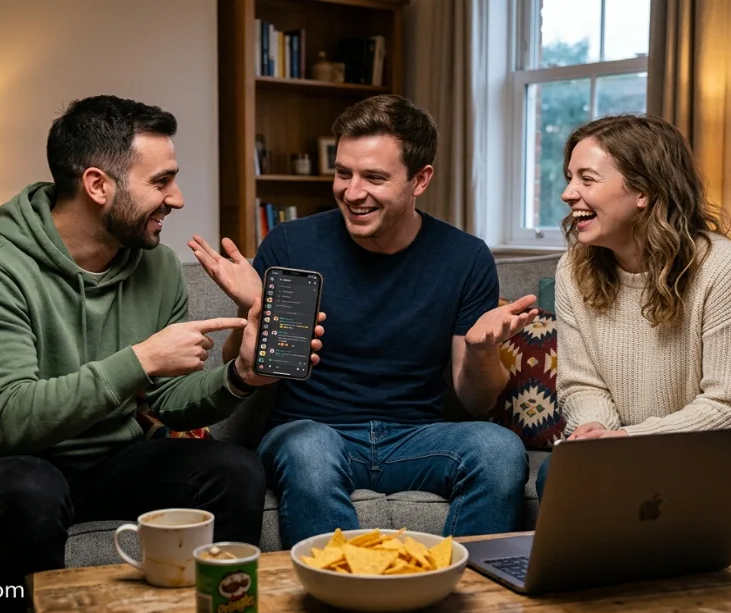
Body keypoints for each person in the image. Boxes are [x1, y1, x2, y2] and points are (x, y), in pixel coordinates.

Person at [0, 95, 320, 613]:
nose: (176, 199)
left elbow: (168, 405)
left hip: (108, 457)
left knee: (233, 469)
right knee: (32, 490)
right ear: (97, 185)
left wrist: (240, 377)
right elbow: (10, 422)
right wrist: (142, 359)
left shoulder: (157, 267)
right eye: (161, 182)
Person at [189, 94, 533, 548]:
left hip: (418, 438)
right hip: (312, 432)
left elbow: (474, 401)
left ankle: (463, 593)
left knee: (500, 449)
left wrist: (483, 349)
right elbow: (255, 373)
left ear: (420, 179)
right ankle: (345, 588)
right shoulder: (292, 243)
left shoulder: (465, 257)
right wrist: (256, 310)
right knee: (308, 448)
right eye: (343, 172)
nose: (352, 192)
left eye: (373, 177)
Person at [535, 114, 731, 513]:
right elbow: (581, 383)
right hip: (630, 448)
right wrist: (599, 430)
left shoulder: (726, 270)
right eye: (570, 177)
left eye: (587, 179)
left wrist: (627, 440)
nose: (568, 193)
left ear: (644, 190)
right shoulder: (574, 269)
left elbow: (729, 410)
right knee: (556, 472)